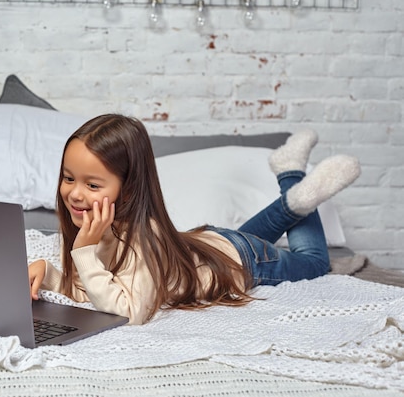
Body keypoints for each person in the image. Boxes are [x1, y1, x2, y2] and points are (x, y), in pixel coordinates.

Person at [28, 114, 361, 325]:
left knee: (314, 262)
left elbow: (128, 311)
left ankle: (295, 183)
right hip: (217, 244)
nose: (74, 193)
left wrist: (83, 253)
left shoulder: (144, 240)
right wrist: (51, 276)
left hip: (243, 262)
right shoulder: (97, 226)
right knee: (250, 240)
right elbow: (93, 288)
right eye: (68, 178)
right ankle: (290, 179)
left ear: (127, 191)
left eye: (92, 184)